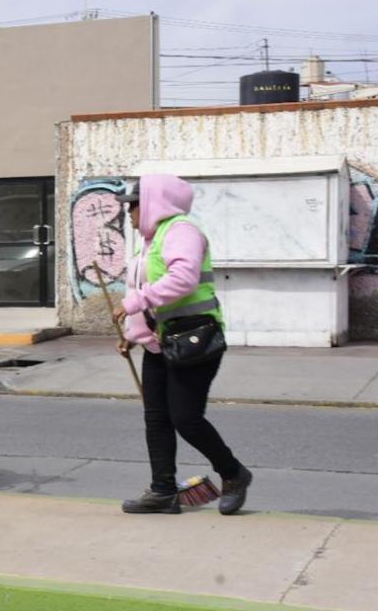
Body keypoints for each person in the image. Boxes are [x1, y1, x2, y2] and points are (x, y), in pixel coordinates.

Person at [111, 174, 252, 516]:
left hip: (194, 339)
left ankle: (233, 474)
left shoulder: (181, 231)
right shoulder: (152, 239)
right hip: (160, 343)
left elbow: (183, 279)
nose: (128, 214)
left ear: (153, 204)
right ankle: (163, 491)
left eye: (132, 205)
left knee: (186, 418)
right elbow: (148, 294)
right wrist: (134, 335)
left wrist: (134, 304)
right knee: (156, 418)